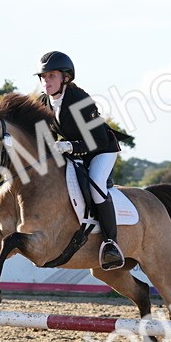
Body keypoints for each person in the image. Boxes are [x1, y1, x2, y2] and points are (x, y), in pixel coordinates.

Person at [36, 50, 132, 271]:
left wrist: (70, 146)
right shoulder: (43, 101)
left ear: (65, 78)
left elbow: (98, 139)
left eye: (52, 76)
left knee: (96, 186)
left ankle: (111, 243)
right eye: (43, 76)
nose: (46, 81)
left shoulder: (79, 100)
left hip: (101, 150)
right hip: (73, 151)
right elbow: (44, 136)